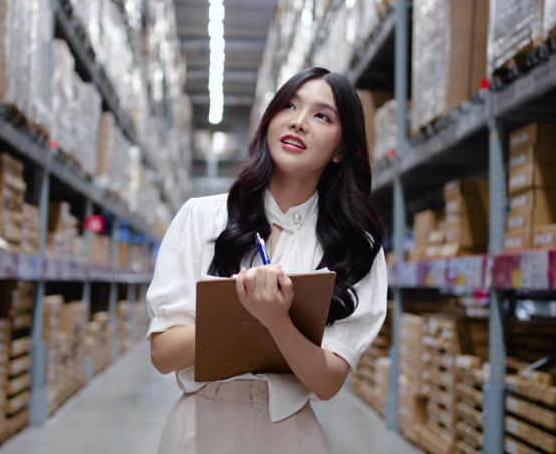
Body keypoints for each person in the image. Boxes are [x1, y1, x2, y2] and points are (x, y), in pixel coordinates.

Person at [146, 67, 387, 453]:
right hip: (197, 430)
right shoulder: (201, 217)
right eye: (289, 106)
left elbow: (327, 383)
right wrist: (248, 315)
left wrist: (276, 321)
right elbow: (162, 353)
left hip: (291, 436)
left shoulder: (356, 248)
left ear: (342, 148)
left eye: (322, 116)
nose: (299, 122)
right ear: (270, 120)